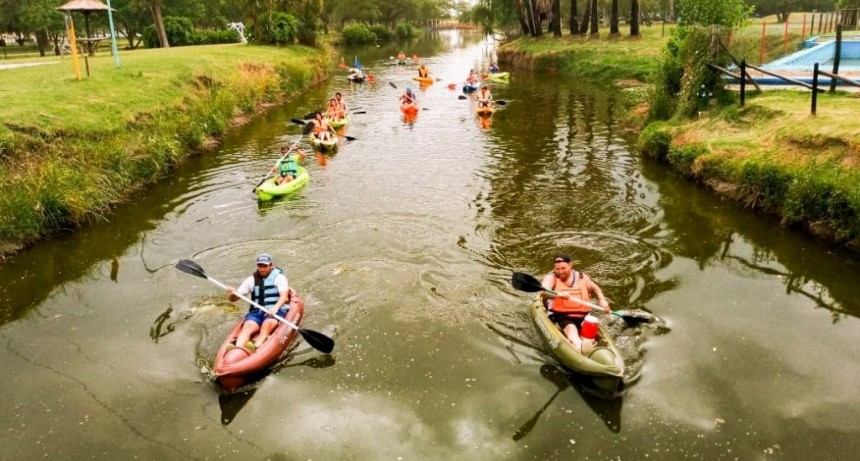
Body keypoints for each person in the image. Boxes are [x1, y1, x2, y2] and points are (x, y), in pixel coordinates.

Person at [540, 254, 610, 354]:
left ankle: (589, 346)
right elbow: (543, 292)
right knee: (571, 329)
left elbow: (595, 288)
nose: (560, 271)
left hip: (583, 315)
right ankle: (579, 345)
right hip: (561, 315)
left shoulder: (582, 277)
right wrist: (558, 295)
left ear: (570, 265)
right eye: (557, 269)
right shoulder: (551, 277)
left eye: (563, 268)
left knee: (590, 333)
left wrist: (602, 299)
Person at [226, 253, 292, 351]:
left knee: (268, 323)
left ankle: (256, 346)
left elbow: (284, 297)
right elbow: (233, 299)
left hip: (276, 310)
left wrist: (275, 308)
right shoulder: (251, 280)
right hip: (257, 312)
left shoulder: (279, 278)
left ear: (271, 265)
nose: (262, 269)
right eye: (260, 266)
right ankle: (237, 349)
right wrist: (232, 293)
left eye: (265, 266)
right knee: (248, 326)